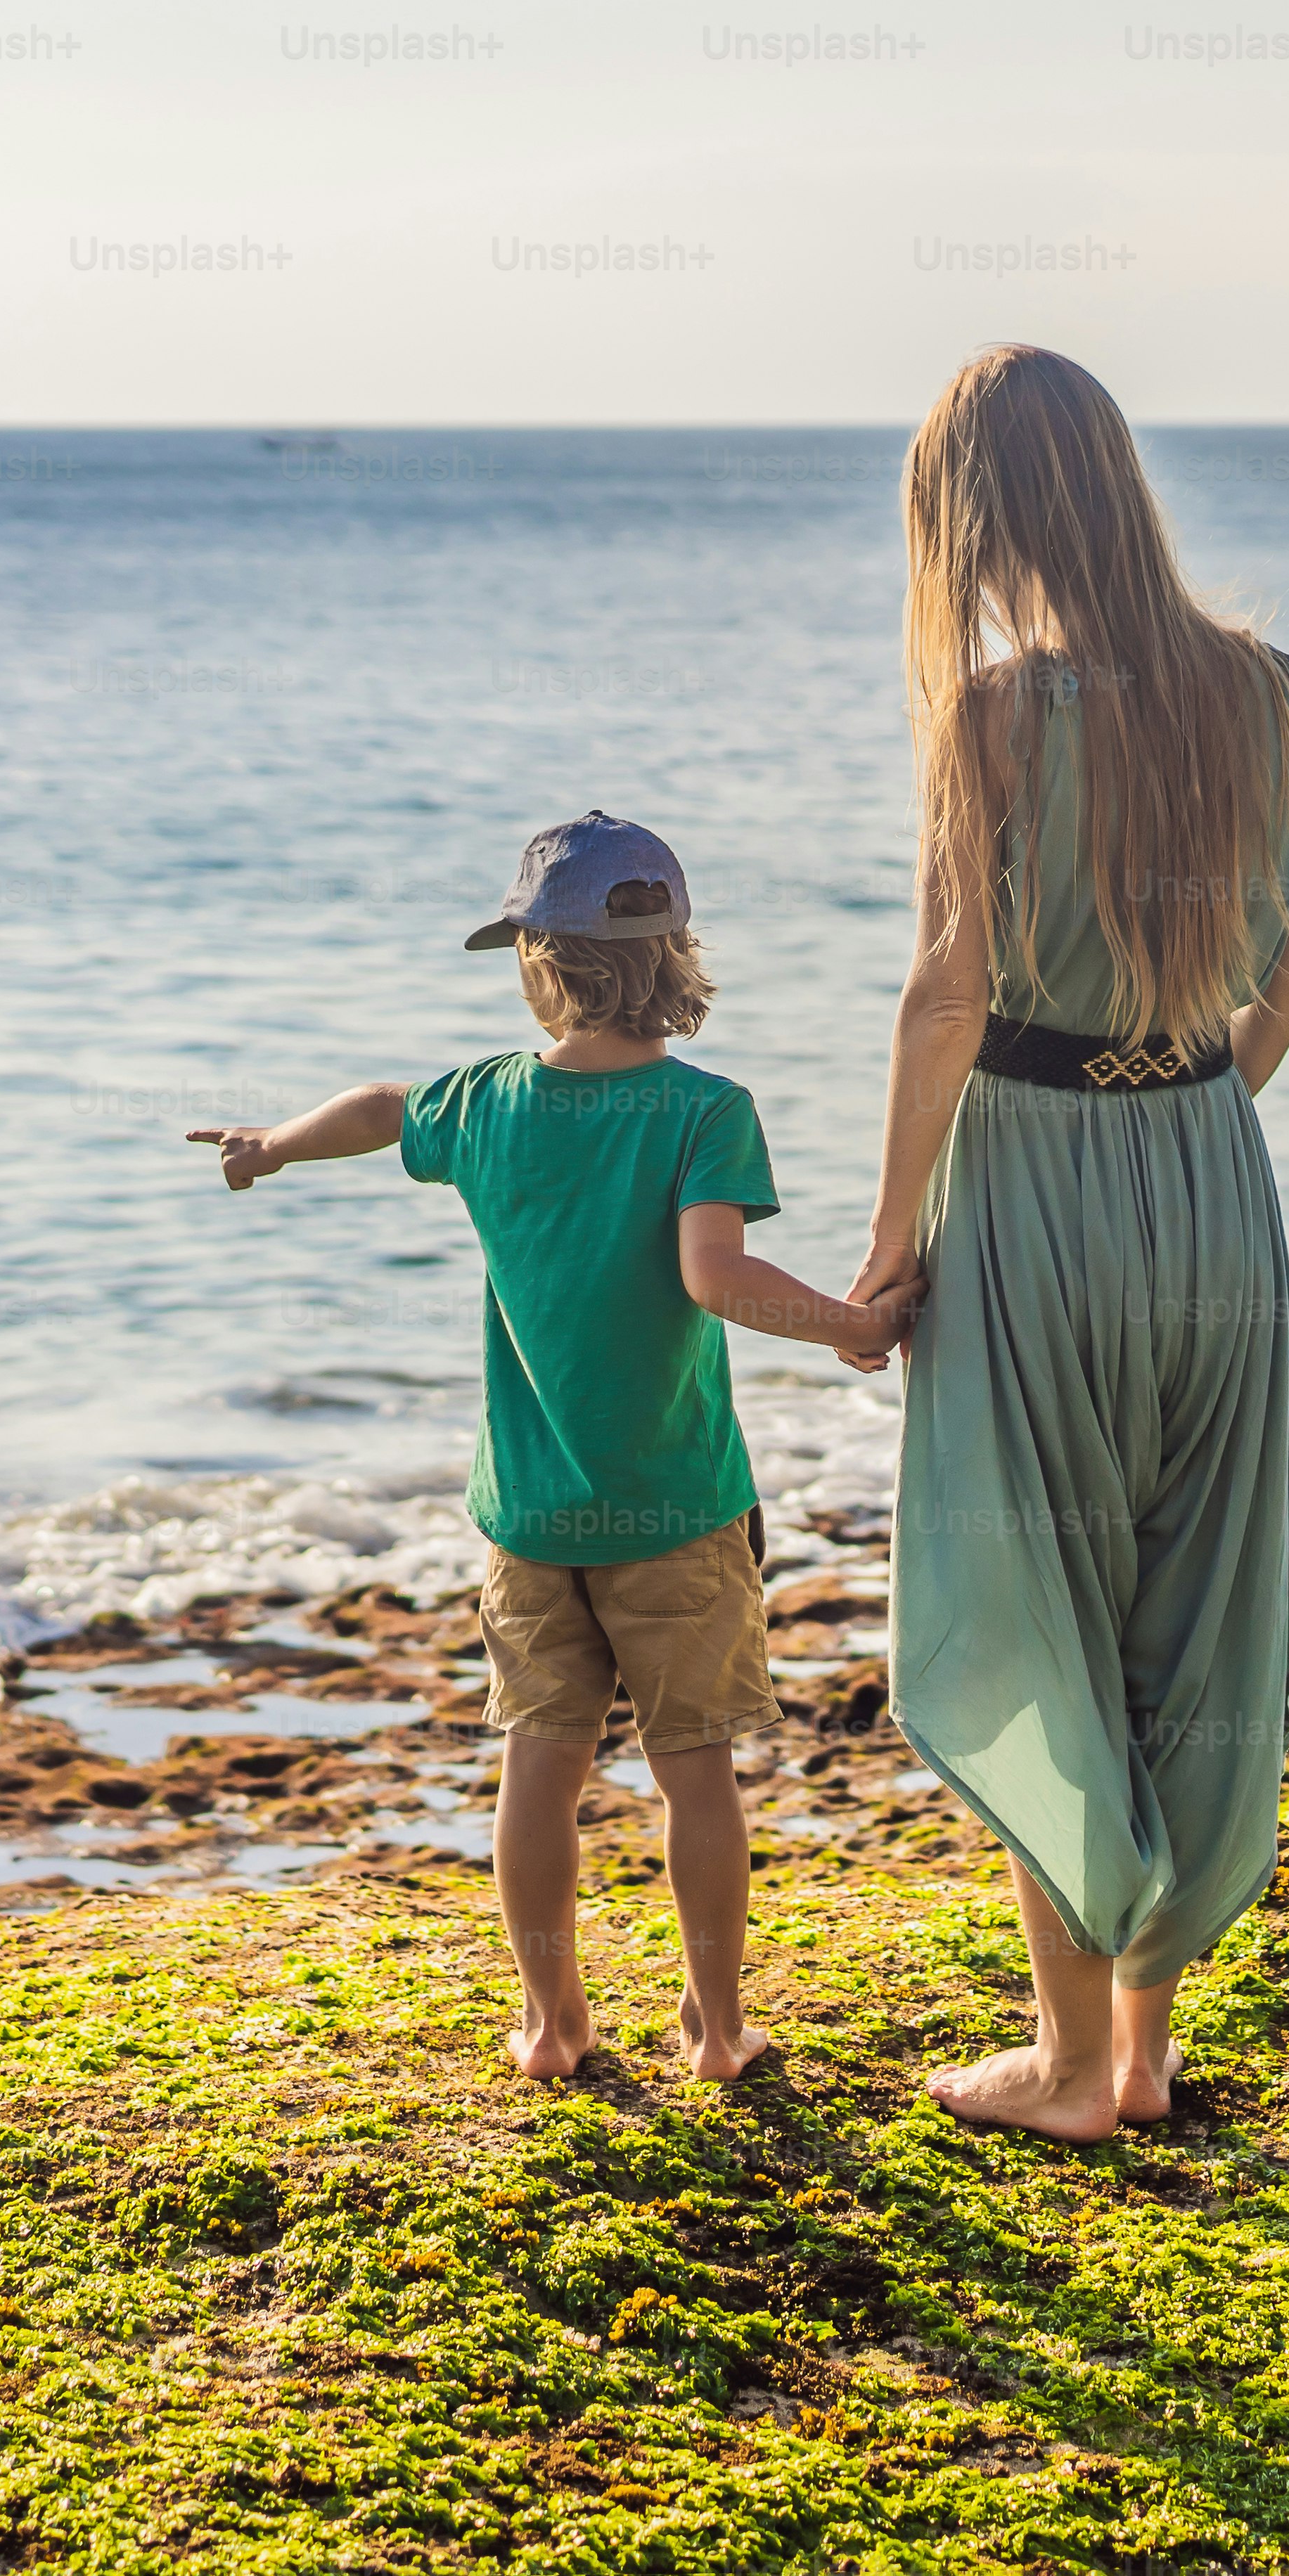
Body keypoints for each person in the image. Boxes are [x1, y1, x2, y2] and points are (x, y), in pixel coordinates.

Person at [842, 345, 1289, 2142]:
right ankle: (1143, 2049)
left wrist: (884, 1247)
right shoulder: (1259, 693)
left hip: (1036, 1173)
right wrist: (1187, 1121)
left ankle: (1073, 2069)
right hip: (1208, 1164)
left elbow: (947, 996)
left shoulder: (990, 713)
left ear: (975, 518)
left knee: (1032, 1598)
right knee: (1189, 1598)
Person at [191, 811, 908, 2082]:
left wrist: (274, 1148)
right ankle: (719, 2024)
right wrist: (853, 1325)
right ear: (675, 956)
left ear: (540, 961)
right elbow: (716, 1275)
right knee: (696, 1775)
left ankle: (552, 2019)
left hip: (528, 1513)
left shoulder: (482, 1103)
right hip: (680, 1506)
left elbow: (374, 1105)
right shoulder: (706, 1110)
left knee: (541, 1767)